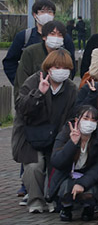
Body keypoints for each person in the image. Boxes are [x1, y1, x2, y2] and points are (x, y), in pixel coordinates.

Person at [13, 49, 78, 213]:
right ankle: (35, 201)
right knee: (34, 166)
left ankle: (53, 198)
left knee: (55, 164)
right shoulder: (34, 81)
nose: (60, 71)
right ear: (48, 67)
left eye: (65, 67)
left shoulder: (70, 88)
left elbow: (73, 114)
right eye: (56, 66)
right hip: (31, 136)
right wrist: (38, 93)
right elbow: (21, 108)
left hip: (56, 137)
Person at [47, 106, 98, 222]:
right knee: (66, 187)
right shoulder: (65, 134)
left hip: (87, 175)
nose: (89, 122)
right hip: (67, 175)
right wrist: (72, 143)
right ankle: (66, 208)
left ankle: (88, 208)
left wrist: (82, 183)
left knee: (91, 189)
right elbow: (56, 162)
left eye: (93, 120)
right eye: (86, 118)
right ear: (77, 120)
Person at [3, 0, 76, 86]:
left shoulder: (65, 38)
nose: (46, 15)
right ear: (35, 15)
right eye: (42, 11)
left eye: (50, 12)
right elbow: (9, 62)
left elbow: (71, 64)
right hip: (30, 89)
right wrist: (19, 82)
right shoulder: (24, 36)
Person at [14, 20, 76, 96]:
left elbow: (68, 78)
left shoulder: (66, 54)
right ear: (44, 37)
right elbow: (22, 78)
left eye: (60, 35)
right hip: (34, 96)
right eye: (52, 34)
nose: (56, 38)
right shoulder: (30, 52)